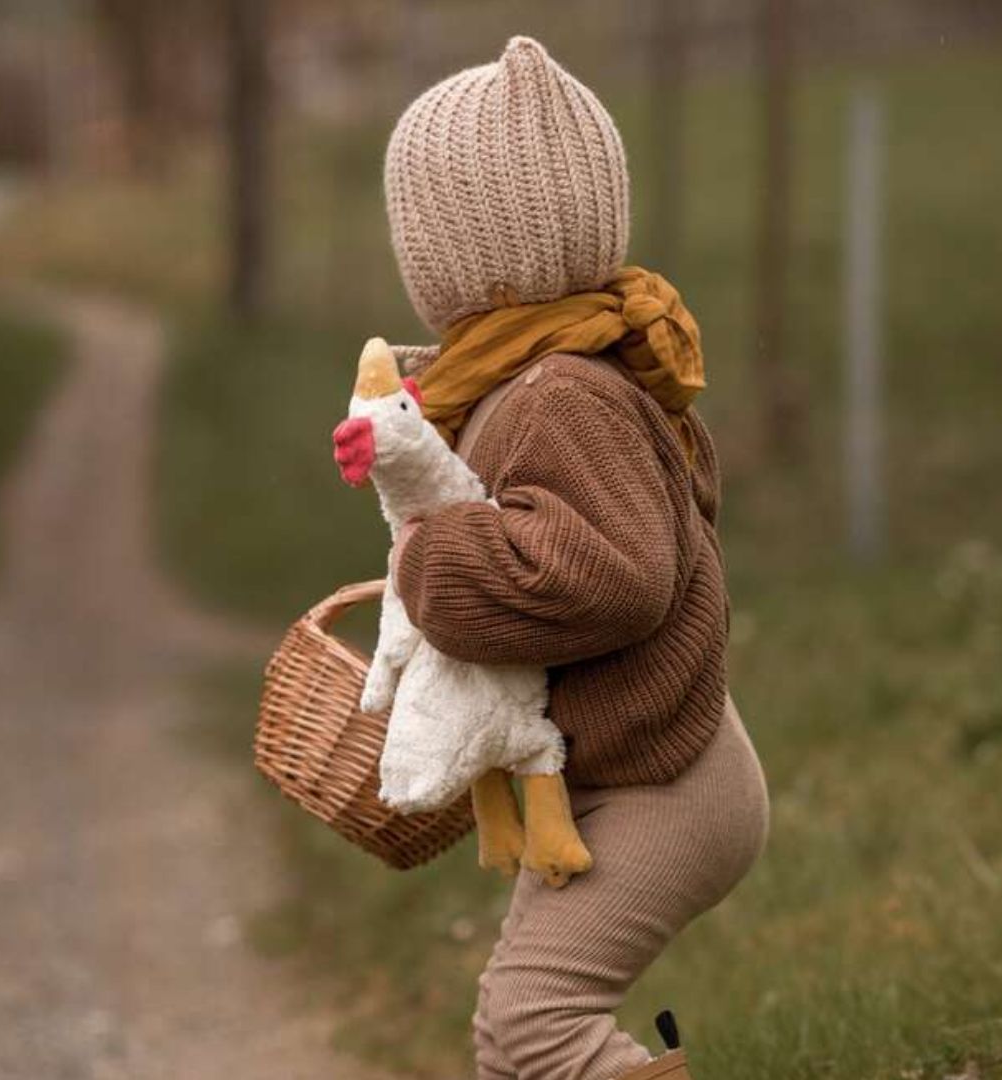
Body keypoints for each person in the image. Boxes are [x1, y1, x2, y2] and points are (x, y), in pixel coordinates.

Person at [382, 36, 770, 1080]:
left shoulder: (557, 393)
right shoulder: (526, 376)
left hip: (665, 785)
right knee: (507, 1035)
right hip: (611, 768)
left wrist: (431, 558)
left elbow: (609, 574)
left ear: (460, 251)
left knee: (538, 1022)